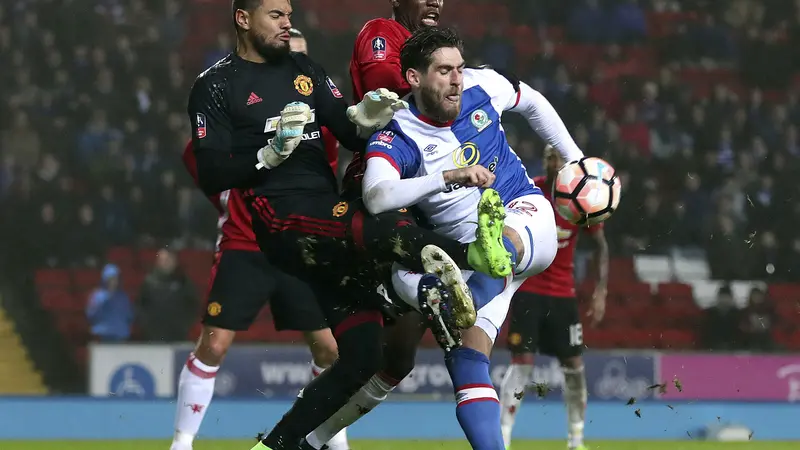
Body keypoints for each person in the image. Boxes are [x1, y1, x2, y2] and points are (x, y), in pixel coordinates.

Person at [185, 2, 511, 449]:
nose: (287, 24)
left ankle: (274, 445)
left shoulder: (304, 69)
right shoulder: (216, 86)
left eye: (289, 14)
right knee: (383, 227)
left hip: (325, 219)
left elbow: (351, 131)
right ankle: (464, 262)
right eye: (276, 15)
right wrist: (266, 156)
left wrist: (371, 117)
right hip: (282, 220)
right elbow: (210, 173)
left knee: (363, 355)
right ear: (243, 19)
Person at [300, 27, 587, 450]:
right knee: (466, 359)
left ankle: (480, 259)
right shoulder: (397, 132)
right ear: (414, 78)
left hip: (525, 218)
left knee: (487, 253)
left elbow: (530, 100)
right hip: (469, 263)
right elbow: (377, 195)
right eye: (444, 71)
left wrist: (575, 160)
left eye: (459, 68)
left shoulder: (482, 85)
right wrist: (446, 178)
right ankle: (313, 439)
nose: (457, 79)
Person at [173, 141, 348, 450]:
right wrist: (226, 197)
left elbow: (329, 159)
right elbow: (196, 153)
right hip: (243, 244)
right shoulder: (239, 113)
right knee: (213, 345)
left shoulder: (311, 111)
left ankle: (334, 440)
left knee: (330, 350)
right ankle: (182, 443)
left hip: (298, 245)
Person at [498, 145, 609, 450]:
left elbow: (600, 244)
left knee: (574, 365)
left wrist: (601, 290)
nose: (553, 163)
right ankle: (503, 437)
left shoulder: (579, 198)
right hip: (528, 290)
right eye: (549, 157)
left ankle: (576, 438)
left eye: (559, 159)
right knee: (522, 362)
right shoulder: (529, 190)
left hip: (563, 295)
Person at [342, 0, 442, 193]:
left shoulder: (435, 48)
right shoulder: (381, 31)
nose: (434, 2)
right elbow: (387, 88)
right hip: (379, 167)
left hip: (421, 167)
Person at [288, 28, 340, 175]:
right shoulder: (257, 96)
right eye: (290, 55)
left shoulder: (321, 96)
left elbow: (331, 161)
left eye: (302, 55)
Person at [137, 249, 197, 343]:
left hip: (178, 335)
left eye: (168, 260)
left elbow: (193, 306)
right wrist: (148, 325)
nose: (166, 263)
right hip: (153, 336)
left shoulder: (183, 282)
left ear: (175, 262)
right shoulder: (149, 282)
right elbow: (141, 305)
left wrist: (184, 325)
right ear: (158, 262)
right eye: (163, 260)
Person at [85, 264, 132, 342]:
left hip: (120, 334)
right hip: (102, 334)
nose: (113, 281)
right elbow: (91, 314)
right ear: (105, 279)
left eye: (115, 278)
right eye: (110, 279)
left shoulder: (123, 297)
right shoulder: (97, 296)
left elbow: (129, 315)